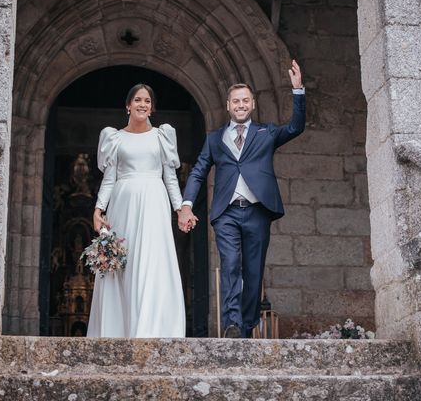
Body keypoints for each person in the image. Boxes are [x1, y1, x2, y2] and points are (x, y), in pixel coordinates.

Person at [178, 60, 305, 338]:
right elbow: (198, 172)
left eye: (245, 100)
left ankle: (247, 324)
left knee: (254, 270)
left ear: (253, 104)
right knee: (231, 264)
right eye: (235, 101)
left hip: (257, 211)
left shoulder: (266, 133)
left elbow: (295, 128)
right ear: (227, 105)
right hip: (226, 213)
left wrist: (297, 91)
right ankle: (233, 323)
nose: (240, 105)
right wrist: (186, 205)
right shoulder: (214, 139)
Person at [87, 84, 186, 338]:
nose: (143, 104)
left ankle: (150, 329)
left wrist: (180, 208)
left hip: (154, 201)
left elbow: (171, 178)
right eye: (138, 100)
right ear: (128, 105)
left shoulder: (162, 136)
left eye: (147, 101)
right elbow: (109, 178)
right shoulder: (115, 138)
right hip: (123, 203)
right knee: (124, 264)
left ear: (152, 108)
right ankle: (119, 329)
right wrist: (99, 208)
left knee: (152, 262)